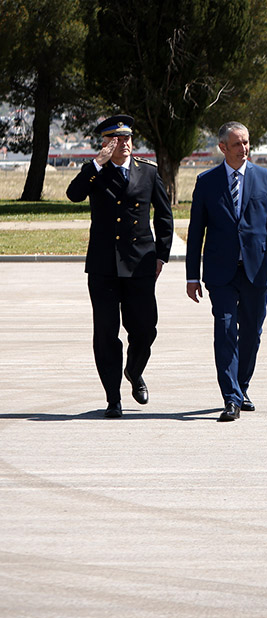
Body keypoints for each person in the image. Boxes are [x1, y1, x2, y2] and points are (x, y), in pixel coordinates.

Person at [186, 121, 267, 422]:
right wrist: (192, 276)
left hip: (256, 271)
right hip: (221, 274)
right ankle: (231, 398)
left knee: (251, 334)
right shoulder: (206, 182)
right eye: (237, 144)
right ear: (223, 147)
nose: (244, 149)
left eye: (247, 142)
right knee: (224, 331)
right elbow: (196, 232)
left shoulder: (266, 179)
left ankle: (241, 386)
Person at [66, 114, 173, 418]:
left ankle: (134, 370)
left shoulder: (148, 173)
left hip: (140, 264)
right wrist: (96, 164)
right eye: (116, 139)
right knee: (105, 334)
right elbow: (73, 195)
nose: (123, 144)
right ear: (105, 144)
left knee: (145, 328)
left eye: (127, 138)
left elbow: (164, 217)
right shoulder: (95, 173)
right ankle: (113, 397)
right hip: (103, 267)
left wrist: (161, 255)